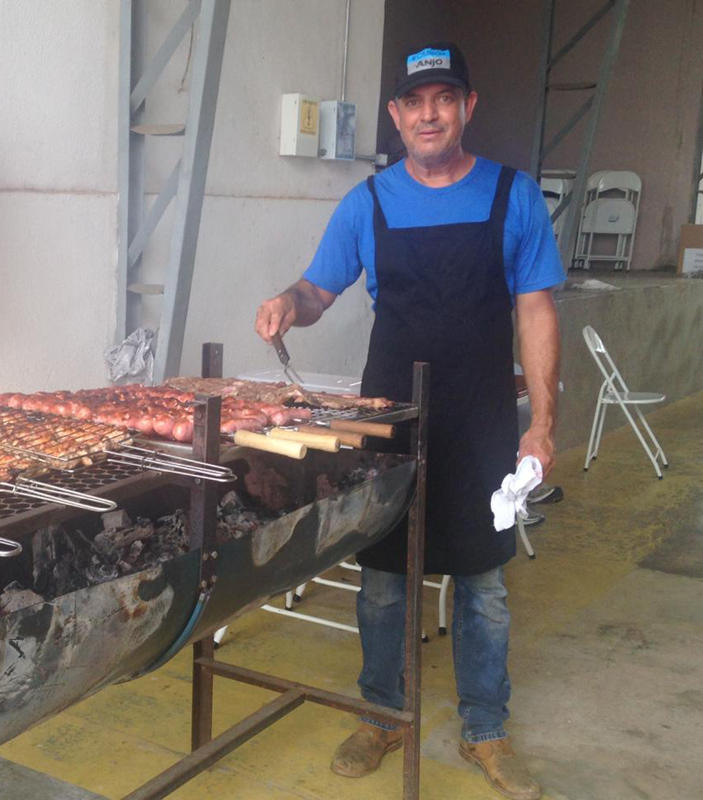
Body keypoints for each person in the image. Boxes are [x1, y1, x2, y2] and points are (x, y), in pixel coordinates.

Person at [254, 42, 561, 800]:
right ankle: (382, 713)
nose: (429, 114)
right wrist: (287, 302)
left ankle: (486, 728)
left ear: (466, 107)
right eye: (415, 102)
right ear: (395, 115)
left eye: (444, 99)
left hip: (482, 417)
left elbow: (536, 309)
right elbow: (318, 289)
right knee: (383, 581)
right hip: (391, 421)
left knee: (482, 584)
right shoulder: (368, 202)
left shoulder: (511, 197)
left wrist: (542, 421)